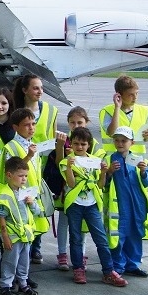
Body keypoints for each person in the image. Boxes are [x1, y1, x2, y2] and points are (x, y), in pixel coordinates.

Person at [59, 127, 127, 287]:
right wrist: (69, 168)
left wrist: (103, 172)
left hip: (92, 204)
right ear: (71, 144)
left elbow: (100, 185)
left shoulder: (95, 161)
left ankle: (108, 271)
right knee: (75, 238)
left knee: (101, 239)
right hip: (75, 204)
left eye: (83, 144)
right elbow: (71, 183)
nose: (79, 147)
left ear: (89, 145)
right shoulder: (66, 161)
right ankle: (78, 268)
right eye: (76, 143)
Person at [0, 108, 48, 289]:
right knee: (11, 245)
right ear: (16, 127)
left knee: (26, 240)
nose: (31, 128)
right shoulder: (11, 147)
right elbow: (13, 169)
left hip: (28, 196)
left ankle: (22, 276)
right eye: (26, 125)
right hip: (14, 198)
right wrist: (29, 156)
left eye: (33, 124)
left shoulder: (32, 144)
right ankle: (6, 278)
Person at [48, 107, 105, 271]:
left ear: (86, 122)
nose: (76, 125)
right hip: (67, 190)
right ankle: (62, 254)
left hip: (88, 194)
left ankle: (82, 255)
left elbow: (98, 165)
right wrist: (61, 148)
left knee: (83, 227)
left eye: (79, 122)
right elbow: (58, 164)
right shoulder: (65, 141)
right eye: (72, 123)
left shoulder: (93, 145)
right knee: (64, 221)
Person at [13, 74, 58, 265]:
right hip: (23, 163)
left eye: (41, 88)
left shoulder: (51, 110)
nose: (40, 91)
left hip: (42, 165)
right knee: (23, 204)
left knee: (37, 205)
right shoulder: (16, 110)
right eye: (35, 88)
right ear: (25, 90)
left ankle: (36, 246)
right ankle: (23, 245)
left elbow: (53, 137)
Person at [105, 126, 148, 278]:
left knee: (135, 234)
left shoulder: (139, 161)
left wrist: (143, 171)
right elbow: (103, 184)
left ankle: (133, 264)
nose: (120, 143)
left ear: (132, 142)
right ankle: (117, 265)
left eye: (124, 141)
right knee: (118, 236)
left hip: (136, 205)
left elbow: (146, 183)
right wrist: (109, 172)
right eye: (117, 140)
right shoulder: (109, 159)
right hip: (119, 205)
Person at [0, 157, 40, 295]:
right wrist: (5, 237)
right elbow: (1, 217)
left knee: (24, 261)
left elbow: (37, 212)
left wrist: (32, 203)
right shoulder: (5, 194)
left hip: (25, 235)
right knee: (10, 261)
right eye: (20, 176)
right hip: (13, 235)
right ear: (9, 175)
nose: (24, 179)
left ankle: (23, 283)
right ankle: (5, 285)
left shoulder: (26, 192)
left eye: (26, 176)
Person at [99, 75, 148, 156]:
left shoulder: (145, 111)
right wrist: (117, 107)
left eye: (136, 93)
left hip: (137, 160)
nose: (135, 97)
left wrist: (147, 137)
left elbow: (145, 138)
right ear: (119, 95)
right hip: (114, 159)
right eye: (131, 95)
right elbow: (111, 132)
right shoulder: (107, 111)